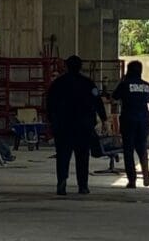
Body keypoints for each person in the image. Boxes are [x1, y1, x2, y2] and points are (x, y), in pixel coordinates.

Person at [47, 55, 108, 195]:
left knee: (63, 156)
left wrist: (52, 122)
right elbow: (98, 102)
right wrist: (104, 120)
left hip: (63, 127)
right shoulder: (88, 83)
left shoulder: (58, 83)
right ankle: (83, 185)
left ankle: (61, 183)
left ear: (66, 66)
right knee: (82, 157)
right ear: (81, 67)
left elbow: (49, 104)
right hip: (83, 127)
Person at [112, 61, 149, 189]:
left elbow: (113, 99)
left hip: (128, 120)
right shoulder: (147, 86)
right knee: (142, 148)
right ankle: (146, 172)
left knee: (128, 151)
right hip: (144, 121)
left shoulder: (124, 84)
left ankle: (132, 180)